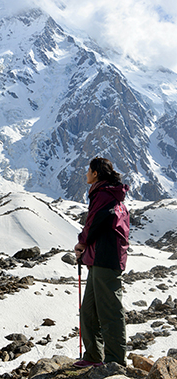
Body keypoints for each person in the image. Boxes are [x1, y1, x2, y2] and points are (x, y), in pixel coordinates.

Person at [74, 157, 130, 368]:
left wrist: (81, 243)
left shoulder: (104, 194)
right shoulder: (105, 193)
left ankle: (115, 360)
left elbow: (93, 223)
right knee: (89, 310)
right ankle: (93, 355)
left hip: (106, 258)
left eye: (88, 170)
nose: (85, 173)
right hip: (99, 258)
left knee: (109, 310)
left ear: (96, 173)